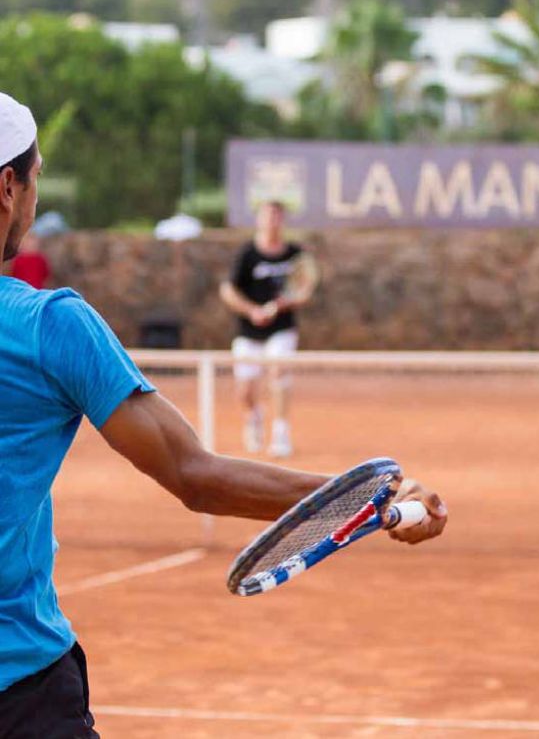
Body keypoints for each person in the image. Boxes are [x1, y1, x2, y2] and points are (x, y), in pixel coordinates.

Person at [0, 92, 448, 738]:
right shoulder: (49, 326)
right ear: (8, 187)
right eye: (36, 177)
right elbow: (194, 473)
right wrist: (375, 498)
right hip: (23, 692)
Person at [220, 200, 312, 458]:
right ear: (259, 220)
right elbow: (228, 290)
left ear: (282, 220)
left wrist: (288, 302)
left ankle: (280, 434)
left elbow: (304, 289)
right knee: (245, 389)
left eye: (277, 216)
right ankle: (254, 418)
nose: (272, 220)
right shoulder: (247, 253)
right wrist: (251, 311)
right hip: (248, 331)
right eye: (267, 215)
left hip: (282, 328)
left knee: (278, 371)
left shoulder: (294, 253)